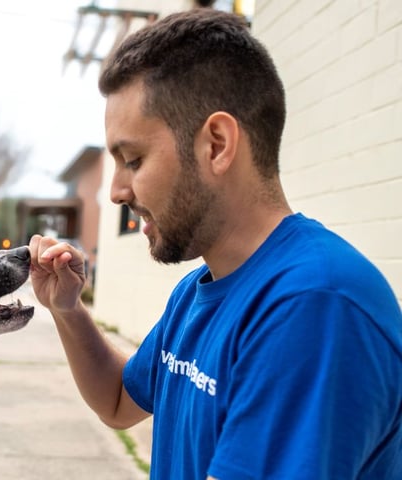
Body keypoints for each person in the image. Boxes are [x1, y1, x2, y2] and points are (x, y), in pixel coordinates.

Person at [29, 8, 402, 480]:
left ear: (217, 144)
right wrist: (68, 310)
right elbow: (120, 402)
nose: (117, 192)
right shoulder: (198, 290)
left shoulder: (314, 306)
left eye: (134, 159)